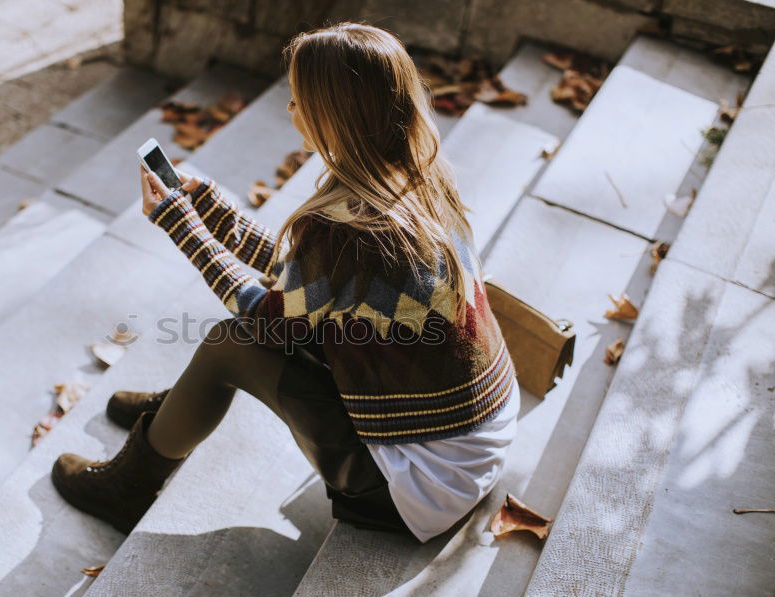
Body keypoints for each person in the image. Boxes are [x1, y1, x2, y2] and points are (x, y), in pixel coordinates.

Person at [51, 22, 520, 543]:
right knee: (255, 341)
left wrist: (180, 225)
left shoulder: (347, 227)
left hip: (418, 487)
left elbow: (272, 324)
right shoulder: (420, 179)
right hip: (472, 443)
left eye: (298, 102)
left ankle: (129, 486)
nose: (290, 111)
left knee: (229, 345)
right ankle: (176, 409)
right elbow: (313, 283)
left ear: (332, 117)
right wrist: (215, 209)